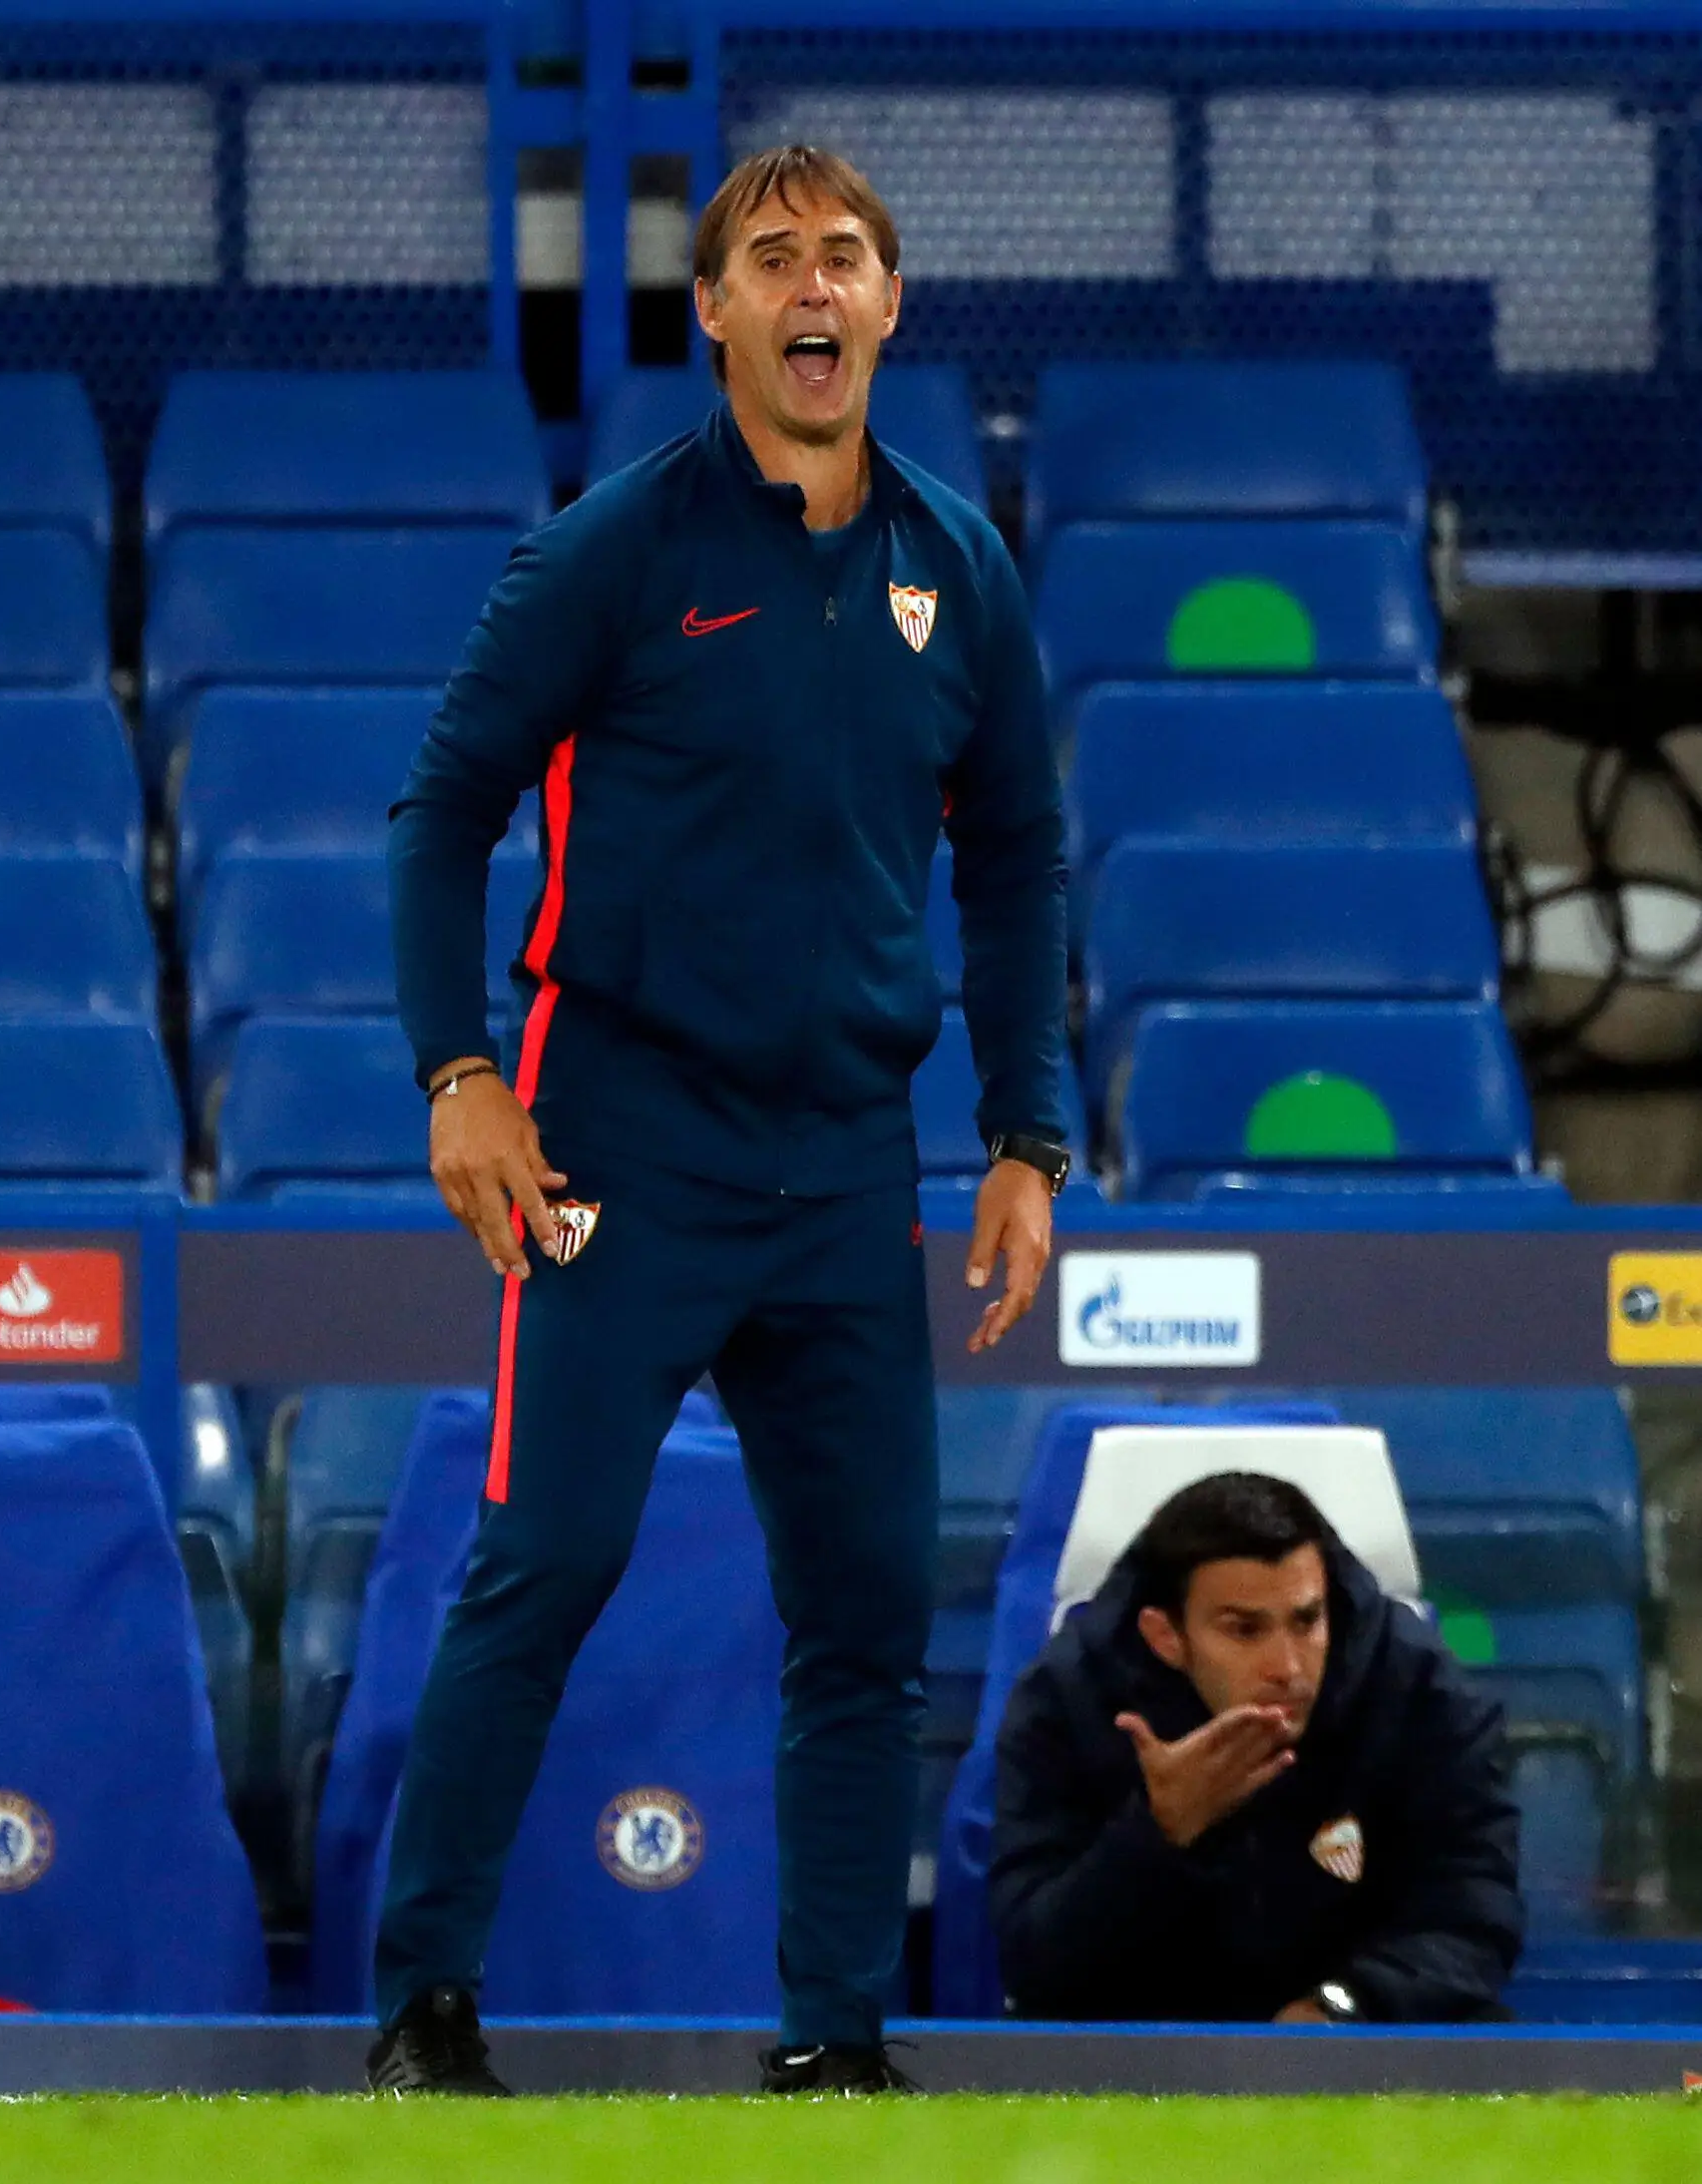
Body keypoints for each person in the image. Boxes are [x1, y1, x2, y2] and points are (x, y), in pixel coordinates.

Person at [367, 143, 1070, 2098]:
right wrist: (457, 1073)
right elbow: (441, 810)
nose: (812, 284)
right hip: (622, 1145)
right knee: (545, 1561)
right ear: (719, 316)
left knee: (864, 1613)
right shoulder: (611, 549)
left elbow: (1017, 855)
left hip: (849, 1162)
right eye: (772, 258)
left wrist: (1026, 1132)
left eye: (844, 254)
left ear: (891, 305)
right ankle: (423, 2006)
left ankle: (835, 2039)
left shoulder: (960, 566)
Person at [990, 1472, 1523, 2024]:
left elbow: (1474, 1917)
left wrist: (1344, 2005)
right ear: (1166, 1637)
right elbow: (1033, 1963)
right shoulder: (1067, 1702)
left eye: (1307, 1620)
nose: (1287, 1668)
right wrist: (1154, 1835)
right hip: (1140, 2040)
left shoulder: (1419, 1691)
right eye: (1245, 1630)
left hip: (1361, 2032)